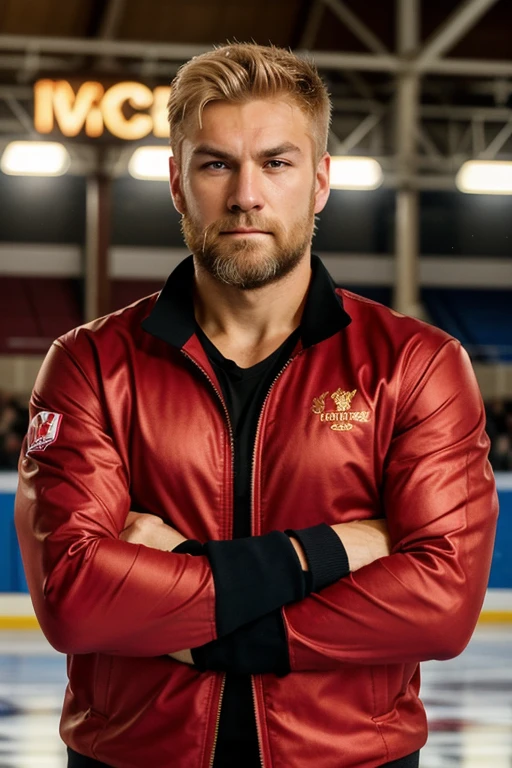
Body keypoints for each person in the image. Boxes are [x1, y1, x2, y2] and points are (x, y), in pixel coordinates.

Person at [15, 43, 498, 768]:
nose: (246, 194)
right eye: (216, 164)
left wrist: (192, 593)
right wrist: (335, 549)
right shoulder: (89, 364)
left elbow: (444, 603)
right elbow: (76, 598)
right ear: (178, 183)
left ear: (321, 181)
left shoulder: (418, 365)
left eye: (276, 163)